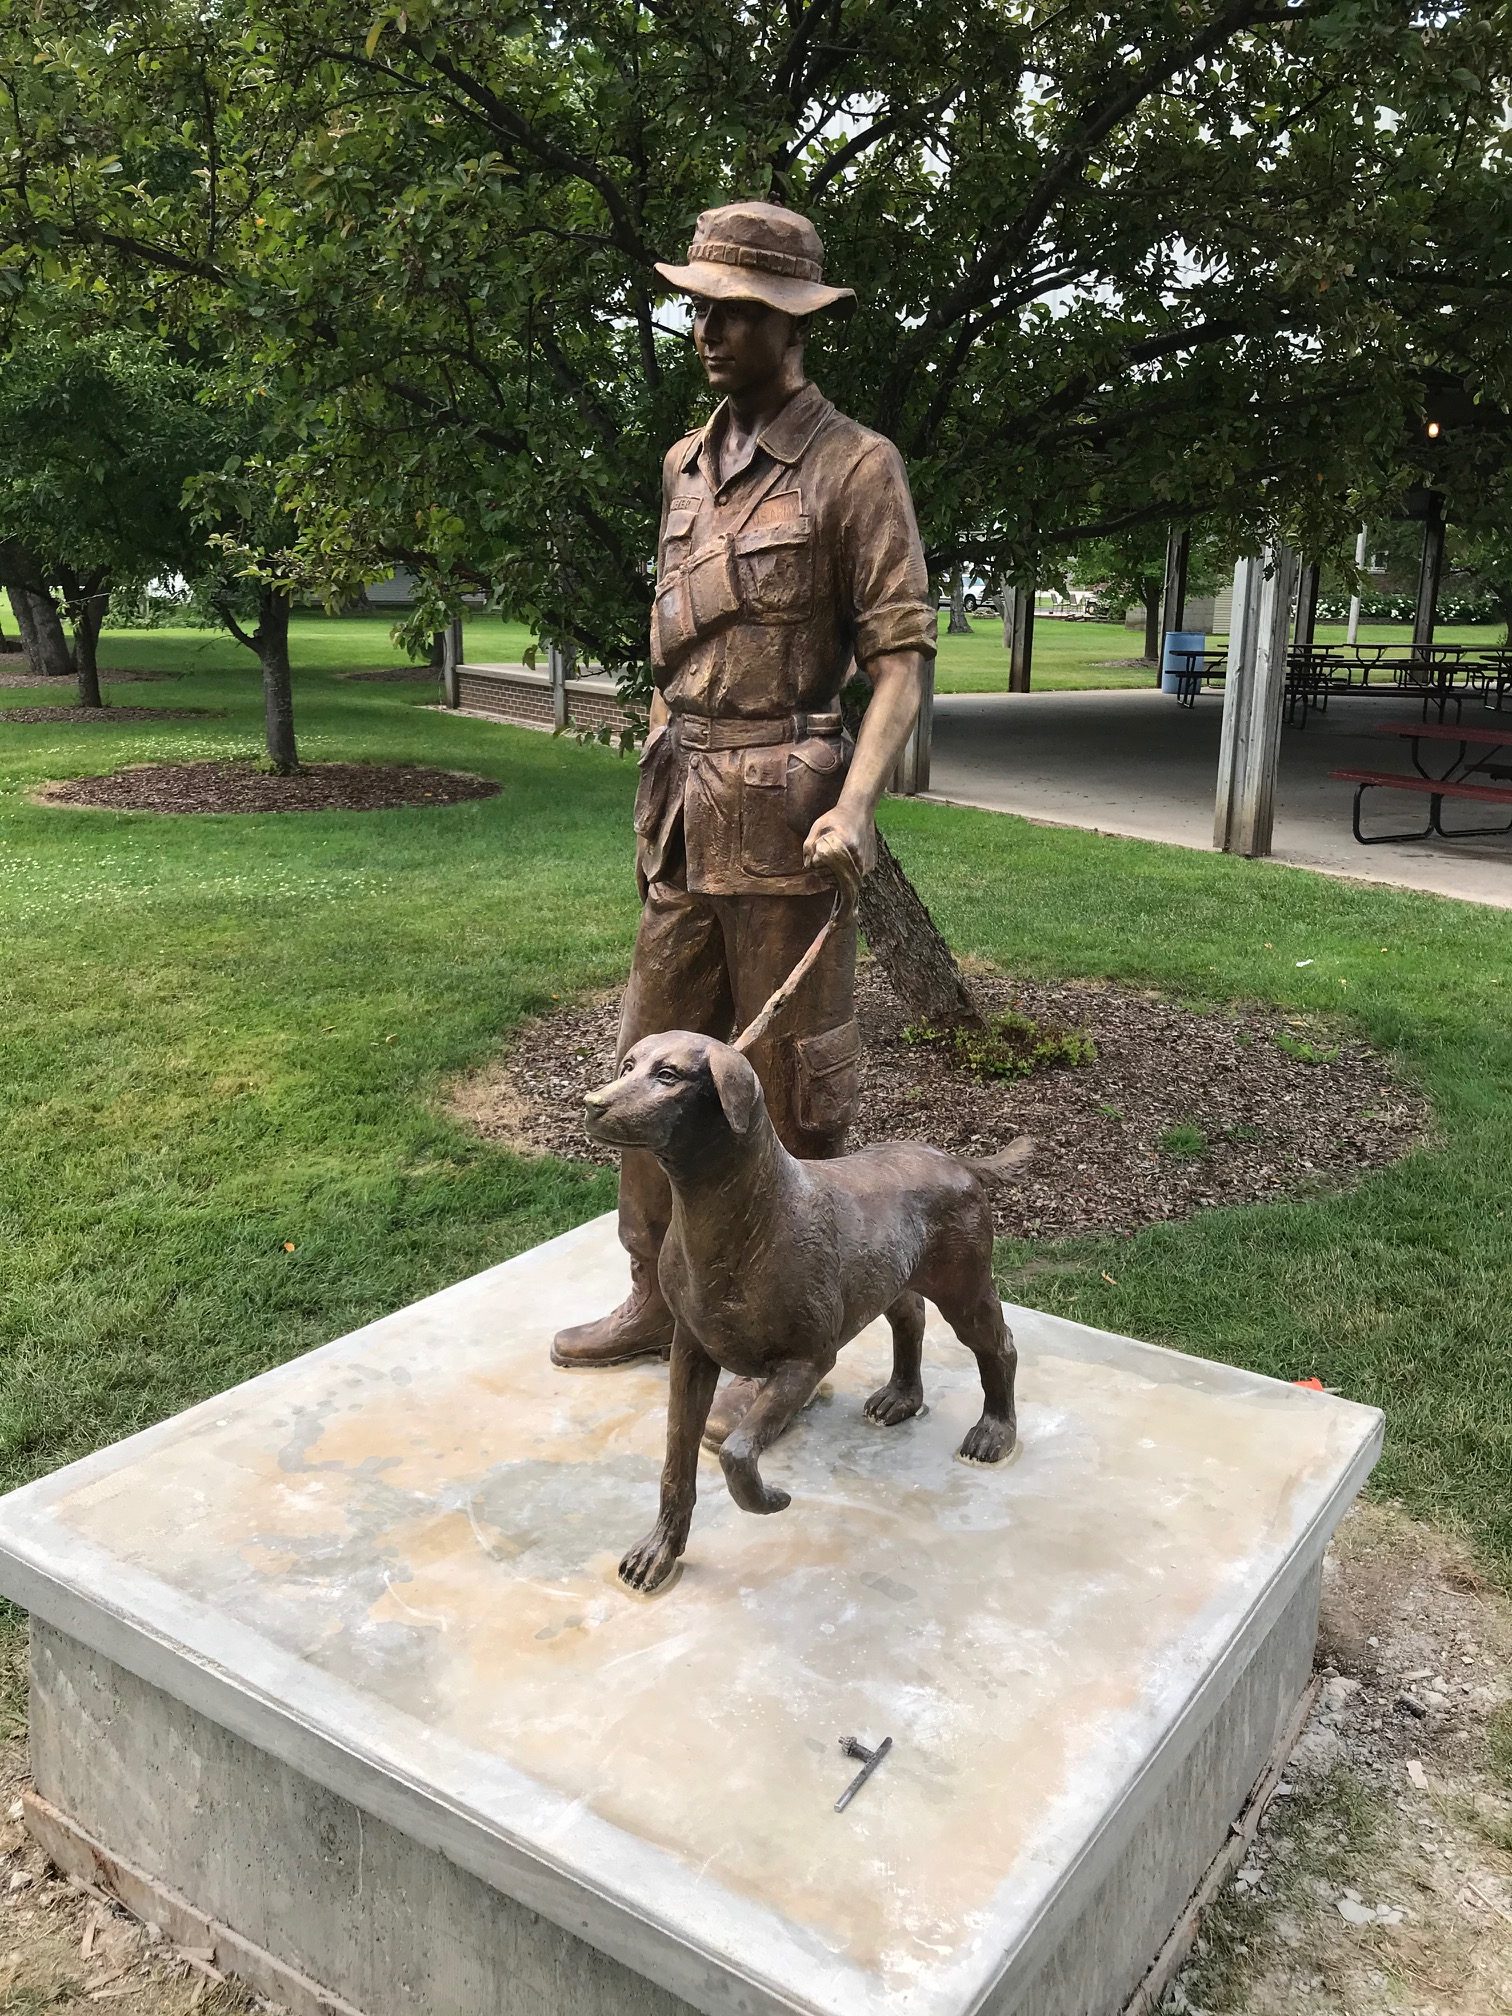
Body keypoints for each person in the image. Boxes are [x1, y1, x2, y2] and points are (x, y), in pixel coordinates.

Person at [552, 200, 935, 1442]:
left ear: (793, 324)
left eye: (735, 311)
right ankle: (656, 1296)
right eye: (701, 307)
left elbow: (902, 662)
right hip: (682, 804)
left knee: (787, 1080)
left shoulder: (856, 466)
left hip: (787, 810)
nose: (708, 329)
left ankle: (794, 1332)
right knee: (649, 1064)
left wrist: (859, 804)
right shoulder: (681, 463)